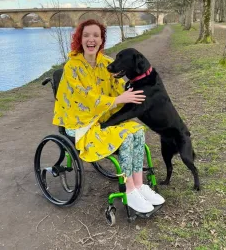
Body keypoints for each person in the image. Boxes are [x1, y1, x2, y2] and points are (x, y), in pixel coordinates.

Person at [53, 19, 165, 213]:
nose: (91, 39)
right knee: (126, 136)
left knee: (137, 131)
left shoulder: (106, 63)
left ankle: (138, 185)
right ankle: (129, 191)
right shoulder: (72, 66)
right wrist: (117, 100)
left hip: (102, 119)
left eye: (96, 35)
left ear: (101, 40)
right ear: (80, 39)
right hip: (80, 123)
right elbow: (85, 97)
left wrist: (139, 91)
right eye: (86, 35)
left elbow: (119, 88)